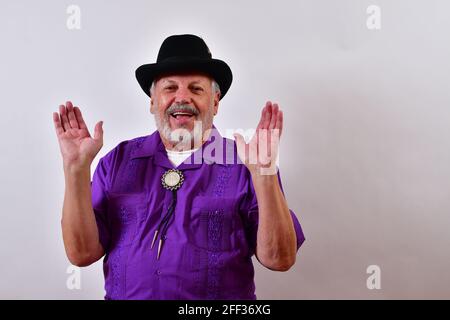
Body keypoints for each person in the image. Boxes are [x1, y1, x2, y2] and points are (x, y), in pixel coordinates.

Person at [53, 34, 305, 300]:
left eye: (196, 89)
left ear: (215, 102)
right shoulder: (118, 161)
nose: (181, 98)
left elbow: (280, 259)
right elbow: (81, 255)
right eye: (170, 88)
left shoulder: (247, 162)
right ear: (153, 101)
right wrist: (75, 170)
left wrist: (264, 175)